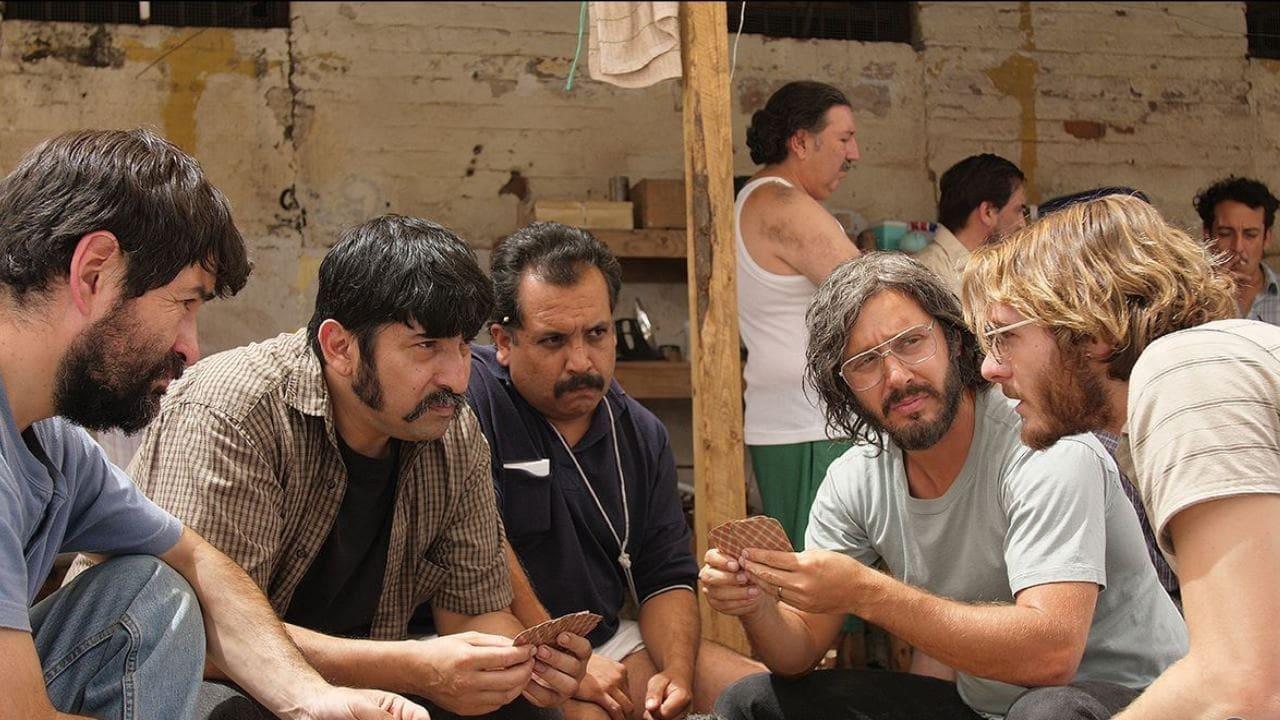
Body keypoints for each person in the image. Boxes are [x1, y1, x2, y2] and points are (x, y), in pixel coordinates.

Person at [71, 214, 589, 719]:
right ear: (339, 347)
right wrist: (413, 667)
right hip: (206, 676)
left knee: (526, 711)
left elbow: (471, 614)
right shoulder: (234, 414)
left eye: (461, 347)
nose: (455, 377)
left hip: (363, 681)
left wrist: (526, 665)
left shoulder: (449, 429)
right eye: (426, 347)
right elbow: (200, 637)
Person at [0, 129, 430, 718]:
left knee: (151, 590)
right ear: (95, 272)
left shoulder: (53, 446)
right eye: (184, 302)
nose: (190, 347)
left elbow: (197, 559)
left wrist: (312, 699)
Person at [702, 252, 1186, 720]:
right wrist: (757, 606)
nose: (897, 377)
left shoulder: (1043, 444)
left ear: (954, 340)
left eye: (912, 342)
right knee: (753, 701)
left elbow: (1051, 656)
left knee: (1047, 711)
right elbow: (799, 650)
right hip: (988, 709)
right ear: (843, 386)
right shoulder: (857, 479)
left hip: (1138, 703)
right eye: (865, 363)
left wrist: (864, 592)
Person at [961, 193, 1280, 718]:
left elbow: (1240, 682)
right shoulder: (1180, 385)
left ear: (1095, 333)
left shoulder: (1188, 372)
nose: (990, 368)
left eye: (1006, 336)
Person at [470, 222, 764, 720]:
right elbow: (479, 542)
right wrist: (563, 660)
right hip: (504, 643)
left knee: (756, 695)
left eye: (597, 334)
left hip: (604, 642)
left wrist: (676, 672)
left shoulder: (642, 434)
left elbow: (664, 576)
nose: (580, 362)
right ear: (503, 340)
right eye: (553, 340)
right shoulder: (471, 398)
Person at [736, 80, 862, 550]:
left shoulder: (761, 198)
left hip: (797, 417)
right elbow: (874, 295)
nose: (854, 154)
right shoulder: (783, 204)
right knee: (825, 570)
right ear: (802, 142)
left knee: (809, 570)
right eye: (844, 138)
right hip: (811, 422)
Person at [913, 153, 1027, 295]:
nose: (1023, 224)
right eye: (1019, 210)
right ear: (988, 212)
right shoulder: (925, 276)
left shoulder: (992, 272)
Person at [1193, 175, 1280, 323]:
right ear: (1207, 235)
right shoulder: (1190, 298)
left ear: (1266, 238)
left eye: (1250, 235)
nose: (1238, 247)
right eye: (1225, 234)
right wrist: (1213, 293)